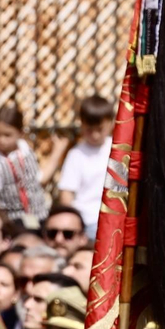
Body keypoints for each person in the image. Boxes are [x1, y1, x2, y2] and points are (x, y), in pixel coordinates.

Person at [0, 104, 52, 229]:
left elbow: (38, 179)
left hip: (39, 216)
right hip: (12, 221)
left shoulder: (25, 148)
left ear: (20, 133)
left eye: (7, 135)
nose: (1, 140)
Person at [57, 95, 115, 237]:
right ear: (81, 124)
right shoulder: (76, 154)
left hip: (113, 217)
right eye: (89, 130)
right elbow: (67, 194)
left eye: (100, 129)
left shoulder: (116, 149)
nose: (94, 135)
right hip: (86, 222)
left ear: (111, 123)